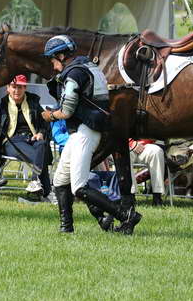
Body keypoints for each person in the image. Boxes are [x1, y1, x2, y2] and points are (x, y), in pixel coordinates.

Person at [42, 34, 142, 234]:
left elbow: (67, 111)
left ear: (61, 55)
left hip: (84, 133)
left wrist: (49, 115)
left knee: (78, 187)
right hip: (83, 132)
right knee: (60, 181)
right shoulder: (89, 67)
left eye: (53, 60)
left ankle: (126, 215)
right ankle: (66, 228)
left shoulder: (73, 75)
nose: (53, 66)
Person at [0, 74, 53, 199]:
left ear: (25, 88)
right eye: (14, 87)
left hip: (32, 138)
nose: (17, 90)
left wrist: (41, 133)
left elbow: (45, 123)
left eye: (20, 87)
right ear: (8, 88)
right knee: (40, 155)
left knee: (42, 144)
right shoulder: (1, 107)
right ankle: (47, 190)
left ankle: (35, 182)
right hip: (12, 141)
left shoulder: (33, 103)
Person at [129, 139, 166, 206]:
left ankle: (157, 196)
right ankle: (130, 196)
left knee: (156, 151)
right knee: (125, 154)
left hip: (146, 145)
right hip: (126, 145)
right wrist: (131, 143)